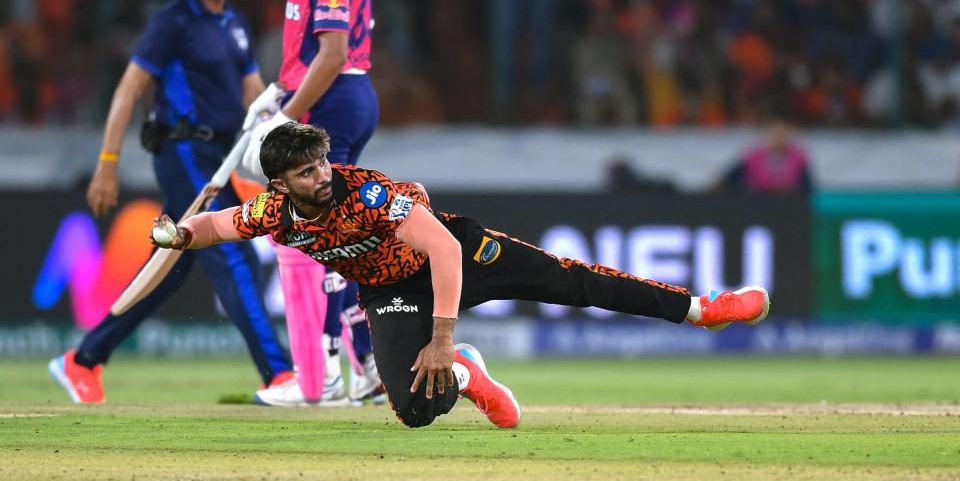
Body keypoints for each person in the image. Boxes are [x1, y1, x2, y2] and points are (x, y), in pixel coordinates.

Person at [152, 123, 772, 428]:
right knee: (416, 412)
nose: (323, 175)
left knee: (573, 280)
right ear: (282, 184)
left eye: (321, 162)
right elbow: (218, 225)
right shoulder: (272, 212)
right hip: (391, 291)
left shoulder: (366, 192)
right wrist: (180, 234)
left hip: (458, 254)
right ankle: (467, 372)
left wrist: (440, 337)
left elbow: (444, 251)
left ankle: (703, 308)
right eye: (308, 172)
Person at [48, 0, 293, 403]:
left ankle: (83, 359)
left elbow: (253, 98)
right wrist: (107, 161)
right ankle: (280, 374)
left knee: (170, 269)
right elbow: (128, 90)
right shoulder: (173, 21)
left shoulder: (236, 24)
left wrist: (281, 144)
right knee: (232, 250)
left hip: (220, 155)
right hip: (182, 150)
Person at [241, 0, 382, 407]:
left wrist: (288, 112)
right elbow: (311, 55)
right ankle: (368, 368)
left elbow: (332, 53)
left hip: (335, 98)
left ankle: (320, 379)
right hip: (340, 95)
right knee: (336, 233)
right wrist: (279, 90)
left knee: (321, 235)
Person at [717, 118, 814, 193]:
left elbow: (807, 185)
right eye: (775, 135)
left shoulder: (798, 158)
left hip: (789, 203)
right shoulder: (754, 157)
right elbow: (730, 179)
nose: (779, 139)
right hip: (758, 201)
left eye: (782, 135)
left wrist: (791, 188)